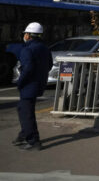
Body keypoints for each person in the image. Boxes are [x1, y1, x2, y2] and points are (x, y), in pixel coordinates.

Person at [13, 22, 52, 151]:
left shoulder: (27, 49)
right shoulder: (45, 48)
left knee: (26, 114)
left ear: (29, 35)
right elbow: (49, 65)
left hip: (28, 85)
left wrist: (20, 82)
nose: (24, 35)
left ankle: (33, 141)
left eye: (25, 33)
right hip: (38, 84)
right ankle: (24, 134)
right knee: (23, 110)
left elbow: (27, 69)